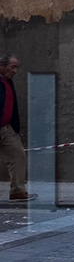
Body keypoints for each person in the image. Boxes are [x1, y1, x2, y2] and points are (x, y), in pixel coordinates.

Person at [0, 53, 33, 201]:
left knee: (18, 155)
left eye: (17, 68)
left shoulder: (7, 81)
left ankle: (17, 191)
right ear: (2, 66)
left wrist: (15, 127)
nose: (15, 71)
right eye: (13, 67)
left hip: (7, 128)